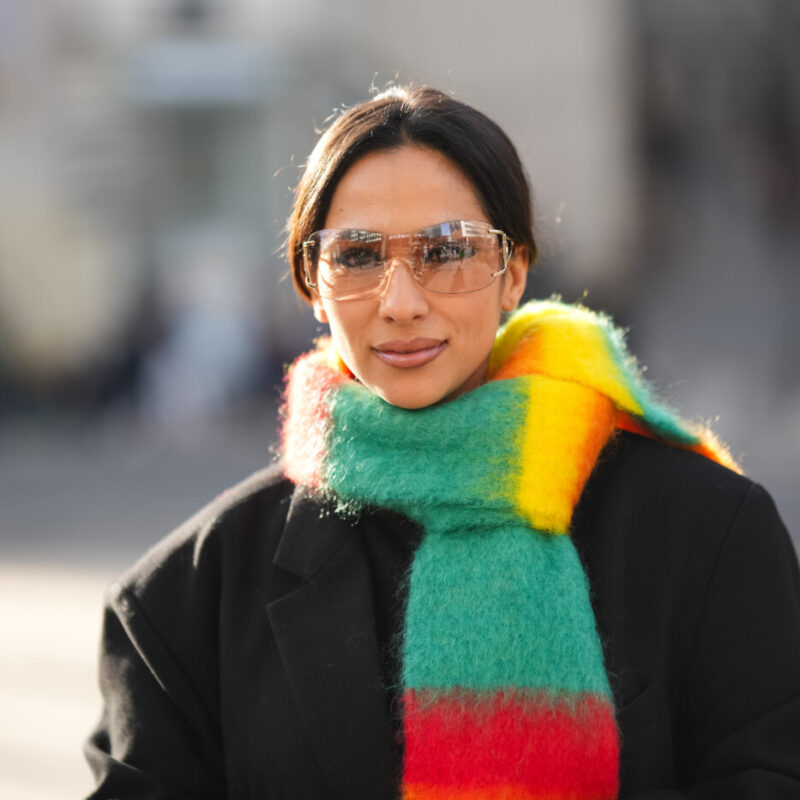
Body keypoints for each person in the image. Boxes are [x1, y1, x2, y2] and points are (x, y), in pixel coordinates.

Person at [84, 86, 800, 799]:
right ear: (311, 285)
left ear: (514, 274)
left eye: (448, 250)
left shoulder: (709, 534)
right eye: (357, 256)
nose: (401, 303)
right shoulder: (181, 605)